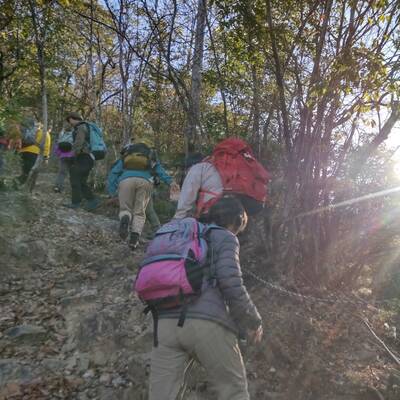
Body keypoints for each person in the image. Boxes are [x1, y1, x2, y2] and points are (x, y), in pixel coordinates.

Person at [148, 197, 263, 400]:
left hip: (164, 322)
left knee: (162, 395)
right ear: (235, 221)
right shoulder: (225, 237)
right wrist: (252, 319)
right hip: (204, 323)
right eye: (240, 225)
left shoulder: (184, 234)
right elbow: (230, 282)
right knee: (233, 390)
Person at [107, 142, 178, 250]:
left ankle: (125, 217)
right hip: (145, 182)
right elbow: (160, 171)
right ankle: (134, 240)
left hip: (126, 181)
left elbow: (113, 173)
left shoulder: (126, 157)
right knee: (140, 212)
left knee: (125, 209)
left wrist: (112, 192)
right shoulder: (149, 156)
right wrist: (171, 182)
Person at [64, 112, 99, 210]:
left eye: (69, 121)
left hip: (83, 157)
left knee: (75, 177)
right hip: (89, 157)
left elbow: (79, 143)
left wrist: (71, 155)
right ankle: (92, 201)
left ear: (72, 118)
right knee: (82, 181)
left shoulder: (81, 127)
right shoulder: (86, 126)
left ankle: (76, 203)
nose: (69, 123)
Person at [16, 117, 51, 185]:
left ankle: (20, 183)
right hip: (34, 153)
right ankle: (22, 184)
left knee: (25, 170)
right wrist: (46, 157)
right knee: (30, 171)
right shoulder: (46, 134)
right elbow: (47, 146)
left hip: (23, 151)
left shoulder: (35, 131)